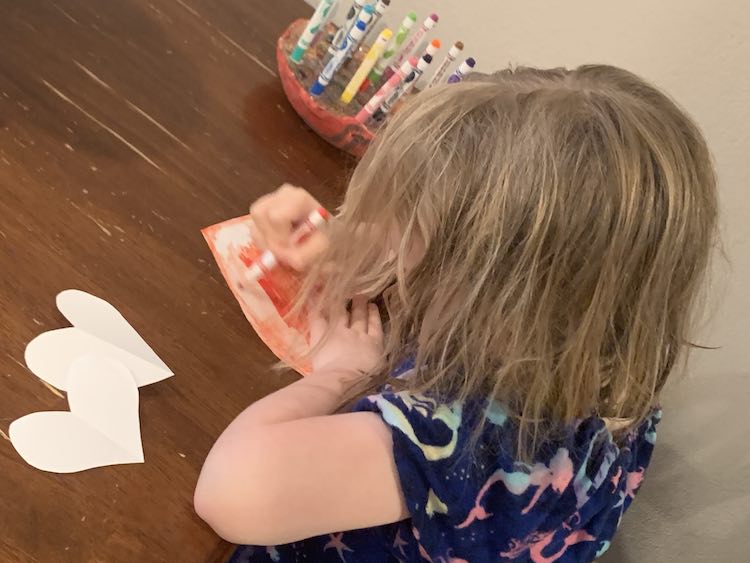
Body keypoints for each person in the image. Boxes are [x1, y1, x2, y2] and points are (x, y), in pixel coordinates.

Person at [194, 65, 718, 562]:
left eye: (405, 228)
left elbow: (232, 492)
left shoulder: (464, 440)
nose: (387, 242)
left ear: (485, 290)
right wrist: (341, 243)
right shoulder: (608, 366)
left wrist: (342, 373)